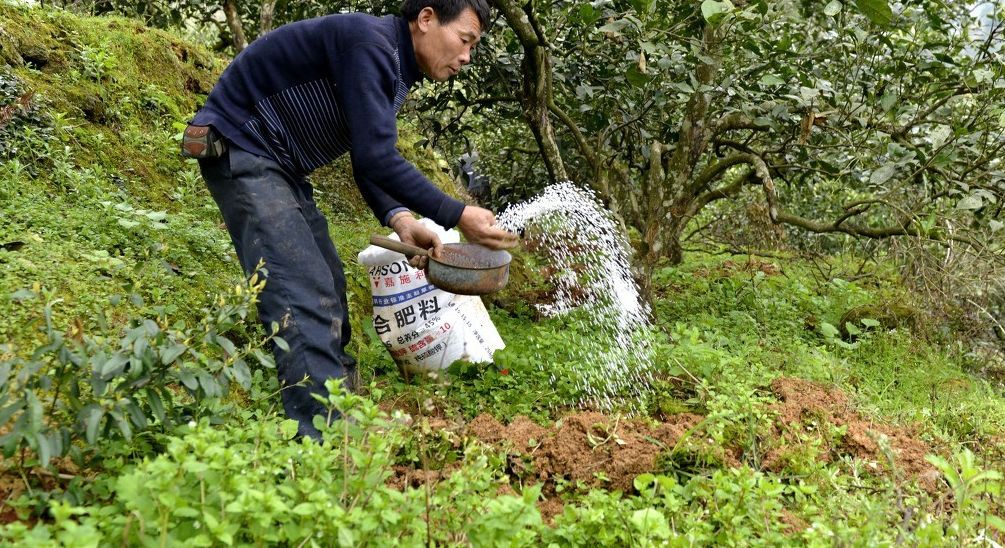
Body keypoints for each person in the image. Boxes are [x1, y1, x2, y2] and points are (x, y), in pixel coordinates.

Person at [186, 0, 517, 439]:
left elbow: (368, 159)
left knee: (329, 282)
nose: (466, 57)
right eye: (464, 40)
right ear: (426, 19)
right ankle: (323, 438)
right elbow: (377, 157)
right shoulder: (371, 45)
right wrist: (457, 213)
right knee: (301, 289)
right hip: (243, 144)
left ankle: (341, 406)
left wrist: (400, 220)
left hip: (279, 164)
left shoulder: (394, 66)